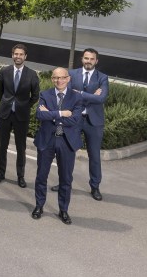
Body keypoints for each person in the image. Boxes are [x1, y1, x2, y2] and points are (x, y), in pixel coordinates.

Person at [32, 67, 84, 224]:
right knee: (41, 175)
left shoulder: (77, 97)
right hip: (47, 140)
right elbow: (39, 114)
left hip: (66, 141)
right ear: (52, 79)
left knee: (66, 178)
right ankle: (39, 205)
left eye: (62, 77)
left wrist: (51, 115)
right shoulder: (45, 94)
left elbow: (75, 119)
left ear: (68, 79)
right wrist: (61, 113)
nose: (59, 81)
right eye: (55, 78)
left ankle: (63, 210)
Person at [0, 44, 40, 188]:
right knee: (2, 146)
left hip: (21, 116)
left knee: (21, 147)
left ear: (25, 56)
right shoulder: (4, 71)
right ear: (12, 55)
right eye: (16, 54)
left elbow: (35, 96)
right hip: (5, 114)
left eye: (21, 54)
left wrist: (24, 106)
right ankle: (1, 173)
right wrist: (7, 103)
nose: (18, 56)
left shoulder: (32, 74)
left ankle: (20, 176)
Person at [68, 48, 109, 201]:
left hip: (94, 122)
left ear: (96, 61)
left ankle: (95, 186)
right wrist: (92, 95)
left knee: (94, 155)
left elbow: (101, 98)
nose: (88, 61)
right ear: (82, 59)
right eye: (86, 58)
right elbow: (68, 94)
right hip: (75, 119)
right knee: (68, 151)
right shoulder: (72, 74)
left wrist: (80, 93)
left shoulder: (102, 77)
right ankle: (65, 182)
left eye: (92, 59)